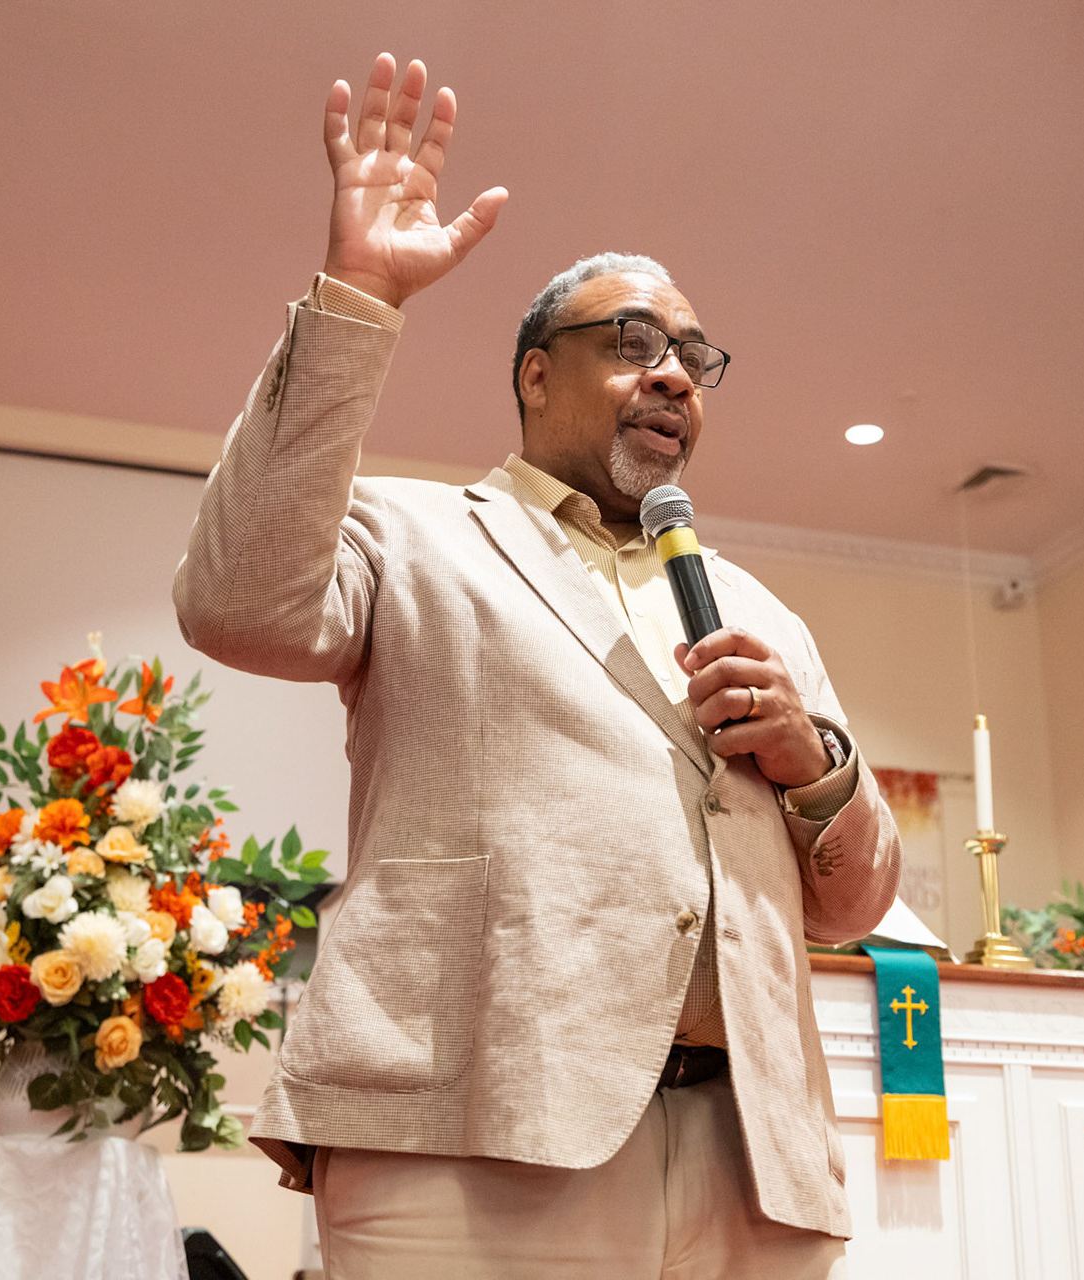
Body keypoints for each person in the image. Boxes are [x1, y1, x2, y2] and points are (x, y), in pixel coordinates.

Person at [174, 52, 902, 1280]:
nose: (673, 371)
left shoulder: (761, 611)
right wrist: (358, 293)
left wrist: (814, 761)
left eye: (692, 356)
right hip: (472, 1132)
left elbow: (854, 902)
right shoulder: (412, 533)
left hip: (750, 1160)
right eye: (630, 341)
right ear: (534, 374)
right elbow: (238, 601)